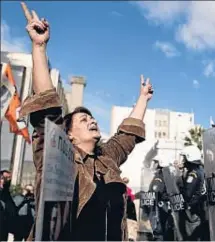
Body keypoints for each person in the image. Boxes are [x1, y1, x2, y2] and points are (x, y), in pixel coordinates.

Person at [19, 3, 153, 240]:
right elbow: (46, 111)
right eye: (83, 119)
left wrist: (143, 99)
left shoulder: (106, 159)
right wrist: (39, 47)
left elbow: (126, 136)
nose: (92, 120)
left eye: (91, 117)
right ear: (68, 134)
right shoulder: (57, 155)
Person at [179, 145, 208, 241]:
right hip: (200, 209)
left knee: (191, 237)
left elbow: (187, 194)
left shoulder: (193, 173)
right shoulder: (202, 170)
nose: (183, 160)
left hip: (192, 211)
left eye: (184, 157)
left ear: (189, 157)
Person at [0, 170, 17, 242]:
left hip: (4, 227)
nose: (8, 180)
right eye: (5, 178)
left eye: (9, 178)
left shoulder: (7, 195)